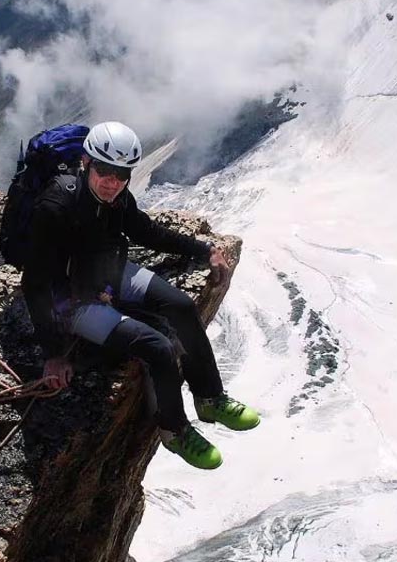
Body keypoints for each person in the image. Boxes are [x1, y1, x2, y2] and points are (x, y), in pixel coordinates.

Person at [21, 121, 260, 469]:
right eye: (104, 170)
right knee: (157, 347)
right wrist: (53, 354)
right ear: (86, 163)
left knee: (180, 306)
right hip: (74, 301)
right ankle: (174, 431)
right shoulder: (55, 207)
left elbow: (146, 231)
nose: (112, 182)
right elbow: (36, 282)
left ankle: (210, 398)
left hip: (110, 275)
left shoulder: (117, 199)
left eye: (121, 174)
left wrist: (201, 249)